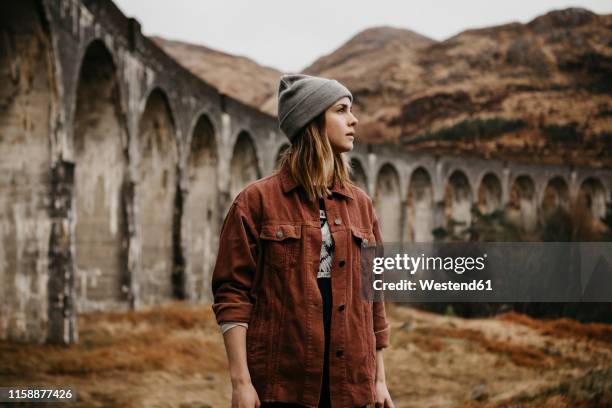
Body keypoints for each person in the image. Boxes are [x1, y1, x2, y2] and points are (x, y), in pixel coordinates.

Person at [211, 74, 394, 408]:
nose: (353, 120)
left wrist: (379, 380)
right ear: (311, 120)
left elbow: (373, 296)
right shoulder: (255, 202)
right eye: (341, 110)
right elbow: (232, 294)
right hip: (284, 386)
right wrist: (241, 383)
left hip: (350, 387)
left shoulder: (362, 205)